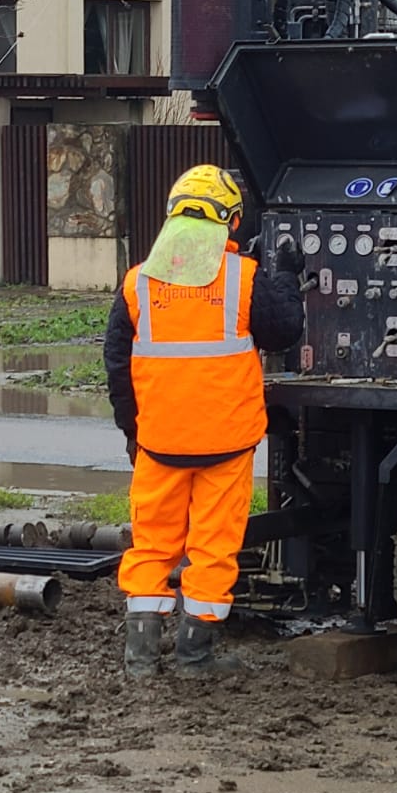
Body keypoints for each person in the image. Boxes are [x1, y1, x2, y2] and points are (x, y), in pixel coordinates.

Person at [103, 165, 305, 679]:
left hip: (159, 445)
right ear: (232, 222)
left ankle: (141, 662)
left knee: (151, 547)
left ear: (172, 216)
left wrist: (133, 433)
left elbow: (117, 367)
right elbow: (282, 331)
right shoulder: (243, 278)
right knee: (213, 550)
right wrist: (284, 272)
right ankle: (195, 659)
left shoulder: (137, 285)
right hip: (226, 445)